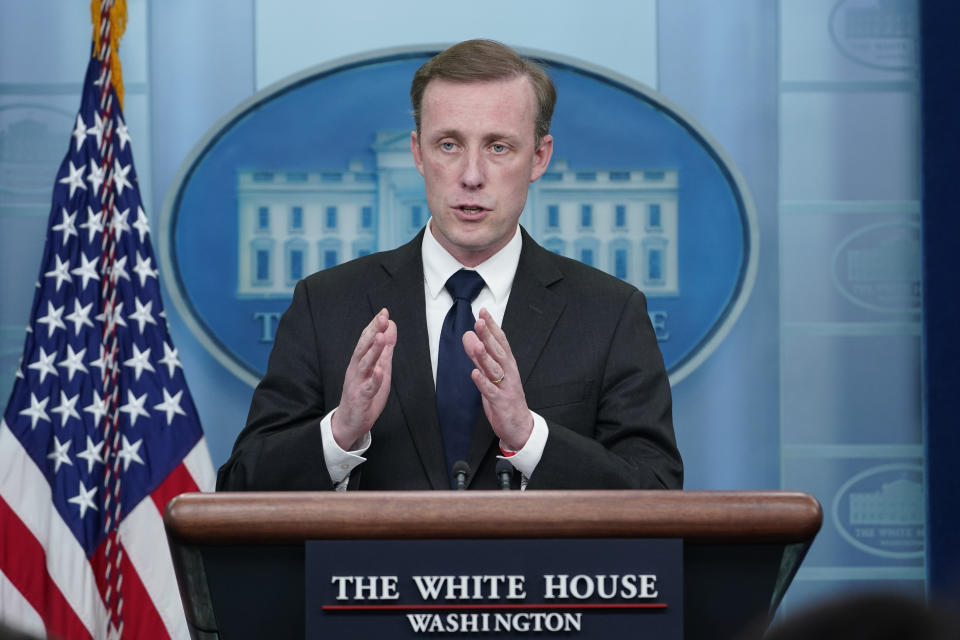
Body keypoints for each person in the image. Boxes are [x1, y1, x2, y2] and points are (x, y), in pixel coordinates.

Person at [216, 39, 683, 491]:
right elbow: (240, 488)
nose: (472, 176)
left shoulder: (610, 313)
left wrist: (529, 437)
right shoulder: (326, 305)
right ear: (418, 153)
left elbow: (657, 492)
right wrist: (340, 432)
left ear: (539, 158)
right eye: (449, 145)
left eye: (498, 147)